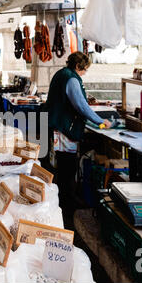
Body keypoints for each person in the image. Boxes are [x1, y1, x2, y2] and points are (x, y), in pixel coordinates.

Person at [45, 51, 111, 222]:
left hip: (57, 126)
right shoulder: (72, 78)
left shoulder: (61, 74)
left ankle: (63, 200)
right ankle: (67, 204)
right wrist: (99, 121)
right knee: (67, 167)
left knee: (60, 166)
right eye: (84, 69)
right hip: (64, 129)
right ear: (77, 66)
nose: (84, 73)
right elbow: (81, 106)